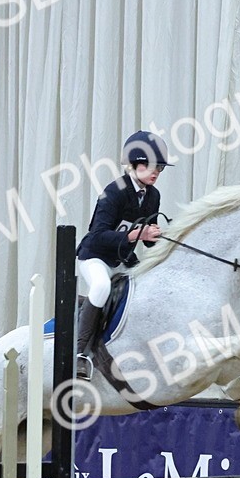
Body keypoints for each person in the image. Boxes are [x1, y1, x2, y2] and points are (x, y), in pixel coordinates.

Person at [73, 130, 172, 379]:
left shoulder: (153, 195)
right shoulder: (114, 191)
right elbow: (97, 235)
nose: (156, 172)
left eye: (160, 167)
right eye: (151, 166)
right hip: (95, 256)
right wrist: (137, 235)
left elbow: (146, 242)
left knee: (149, 289)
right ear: (136, 163)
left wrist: (157, 238)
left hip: (122, 258)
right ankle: (80, 353)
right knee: (101, 288)